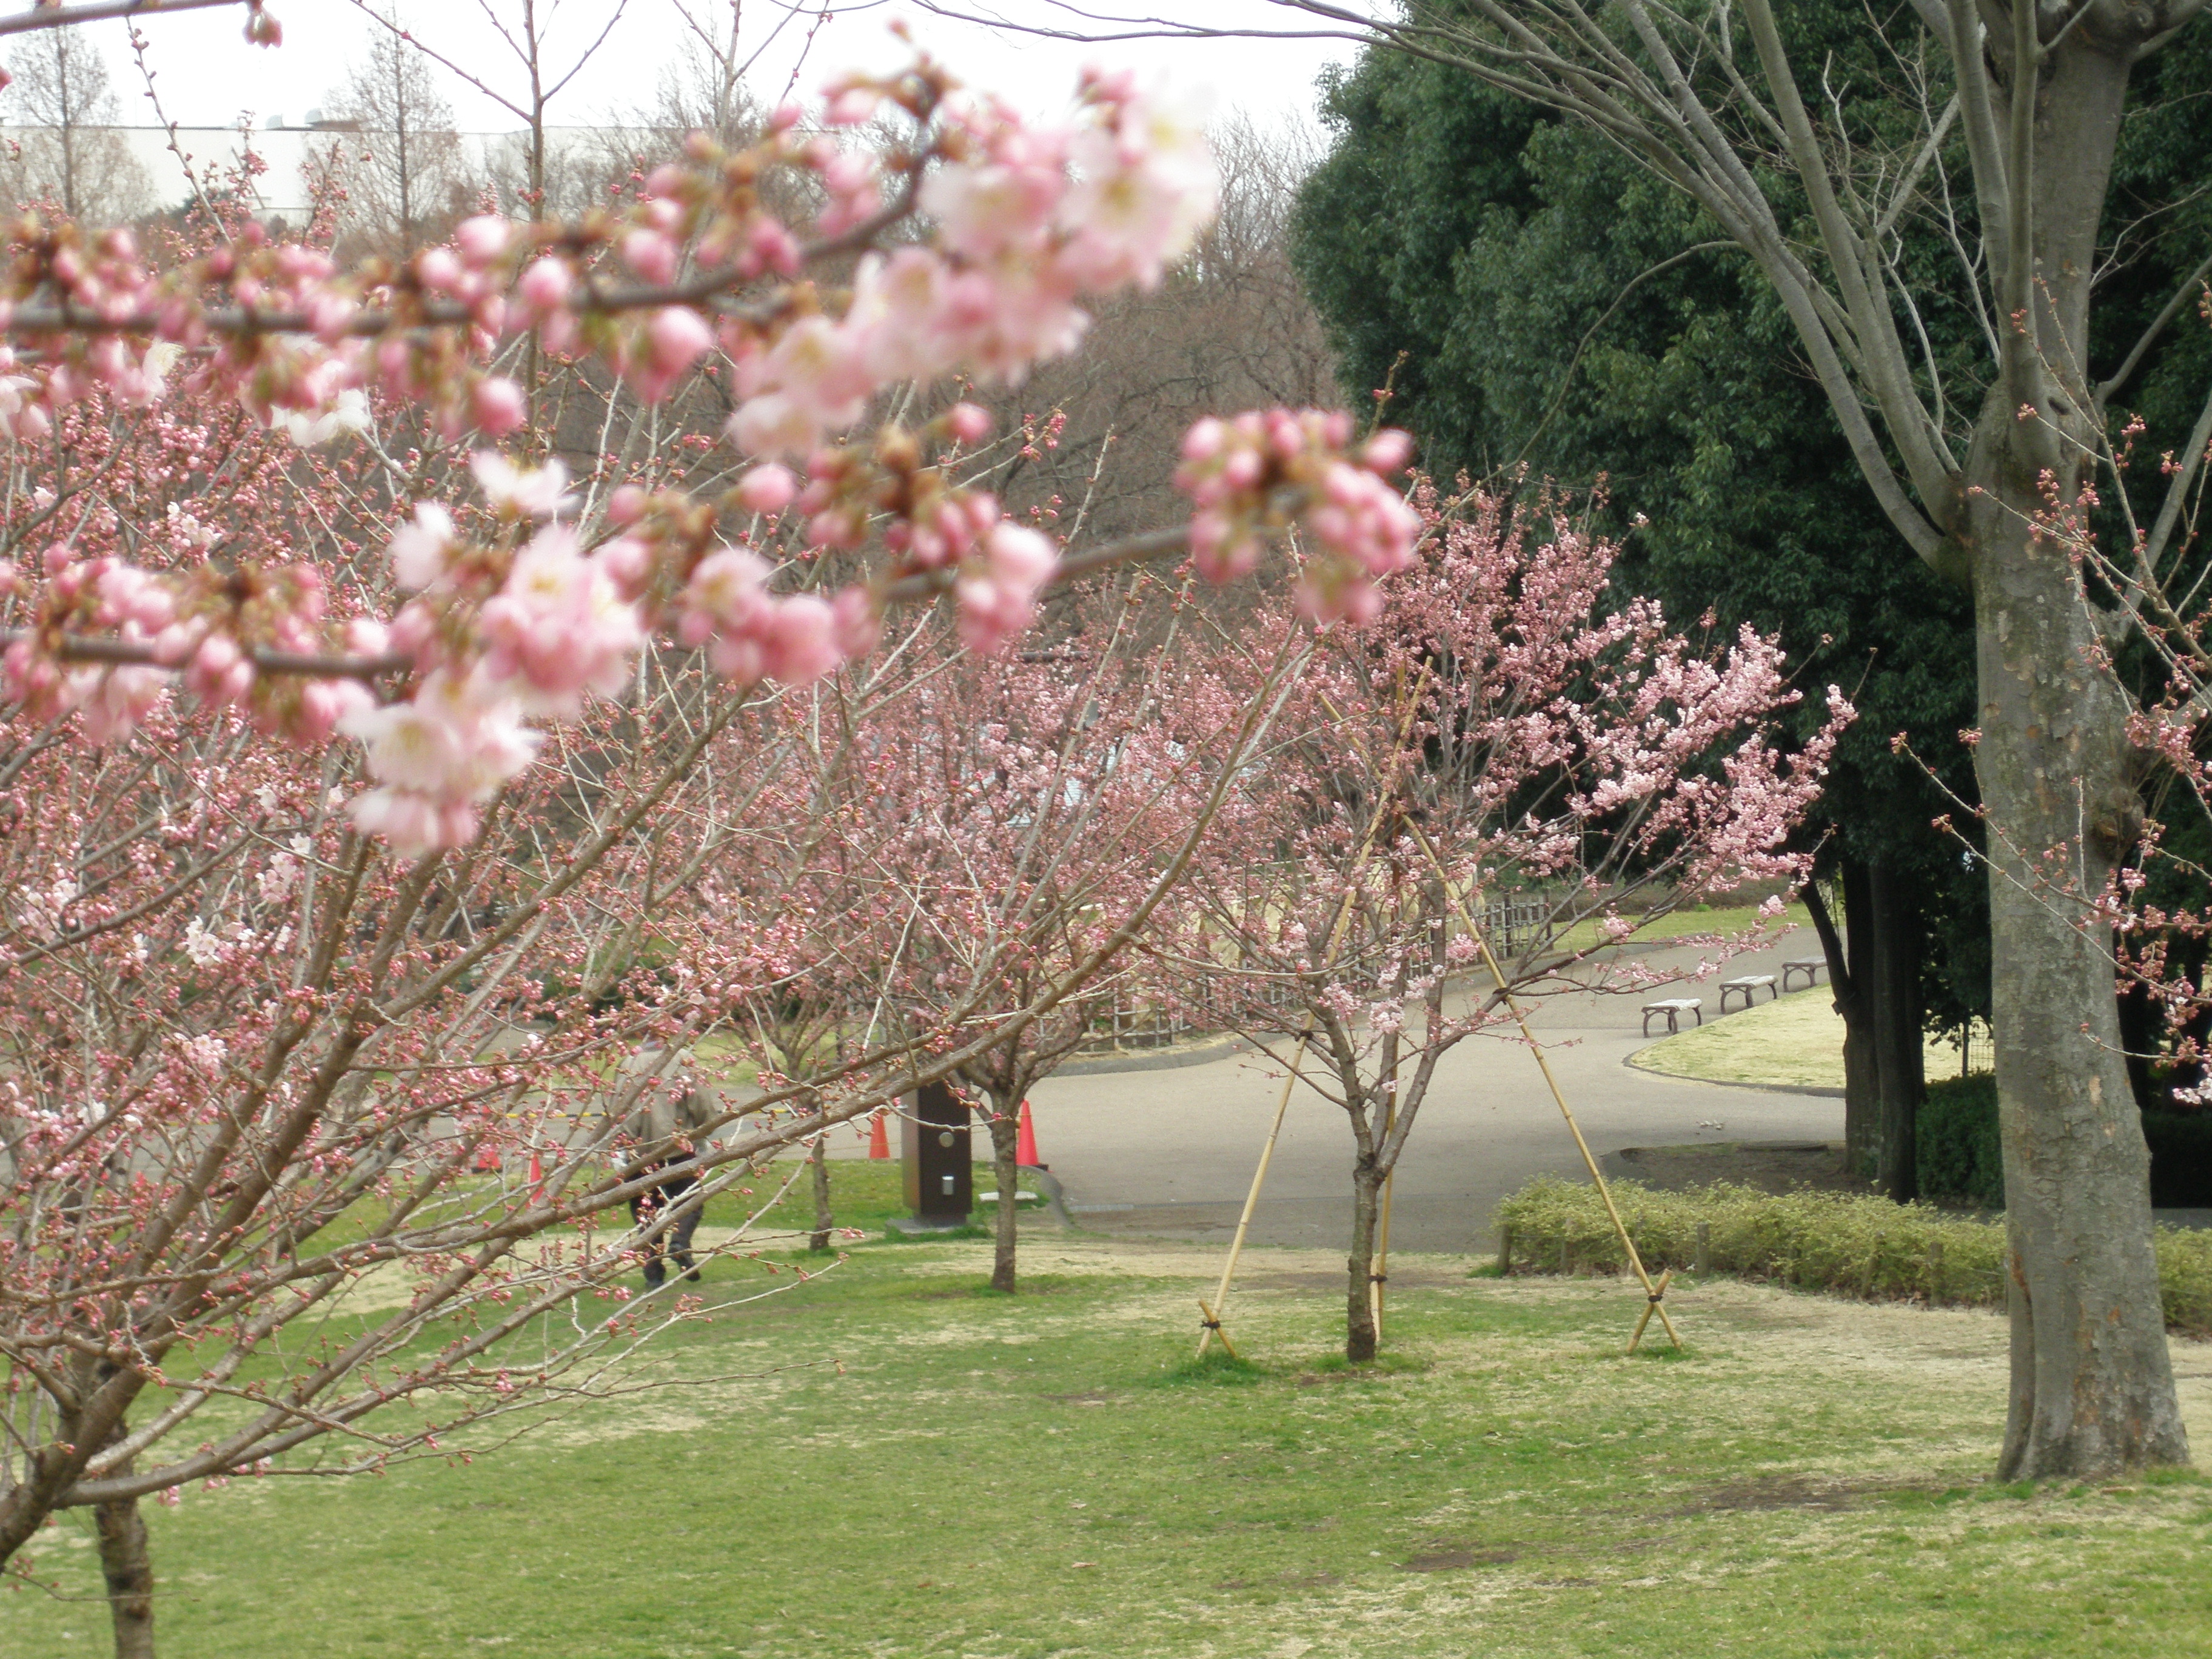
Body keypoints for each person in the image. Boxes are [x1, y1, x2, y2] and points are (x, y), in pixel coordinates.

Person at [617, 1037, 718, 1289]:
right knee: (690, 1202)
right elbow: (700, 1100)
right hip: (679, 1147)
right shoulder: (681, 1058)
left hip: (640, 1152)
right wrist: (706, 1126)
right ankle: (680, 1242)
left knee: (646, 1212)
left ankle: (653, 1271)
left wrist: (624, 1144)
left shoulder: (629, 1062)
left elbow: (620, 1106)